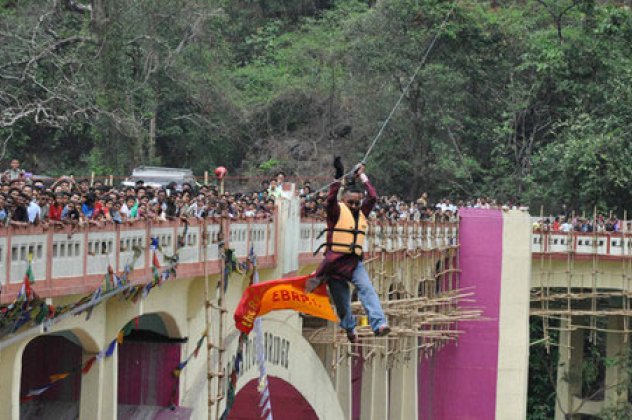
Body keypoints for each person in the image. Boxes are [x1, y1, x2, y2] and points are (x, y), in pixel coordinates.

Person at [309, 157, 390, 343]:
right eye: (351, 202)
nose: (354, 206)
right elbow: (330, 199)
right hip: (334, 265)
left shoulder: (361, 212)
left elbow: (373, 197)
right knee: (343, 304)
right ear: (344, 200)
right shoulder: (336, 211)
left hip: (353, 263)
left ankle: (379, 324)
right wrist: (338, 176)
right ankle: (349, 328)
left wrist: (362, 176)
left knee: (367, 290)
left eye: (357, 203)